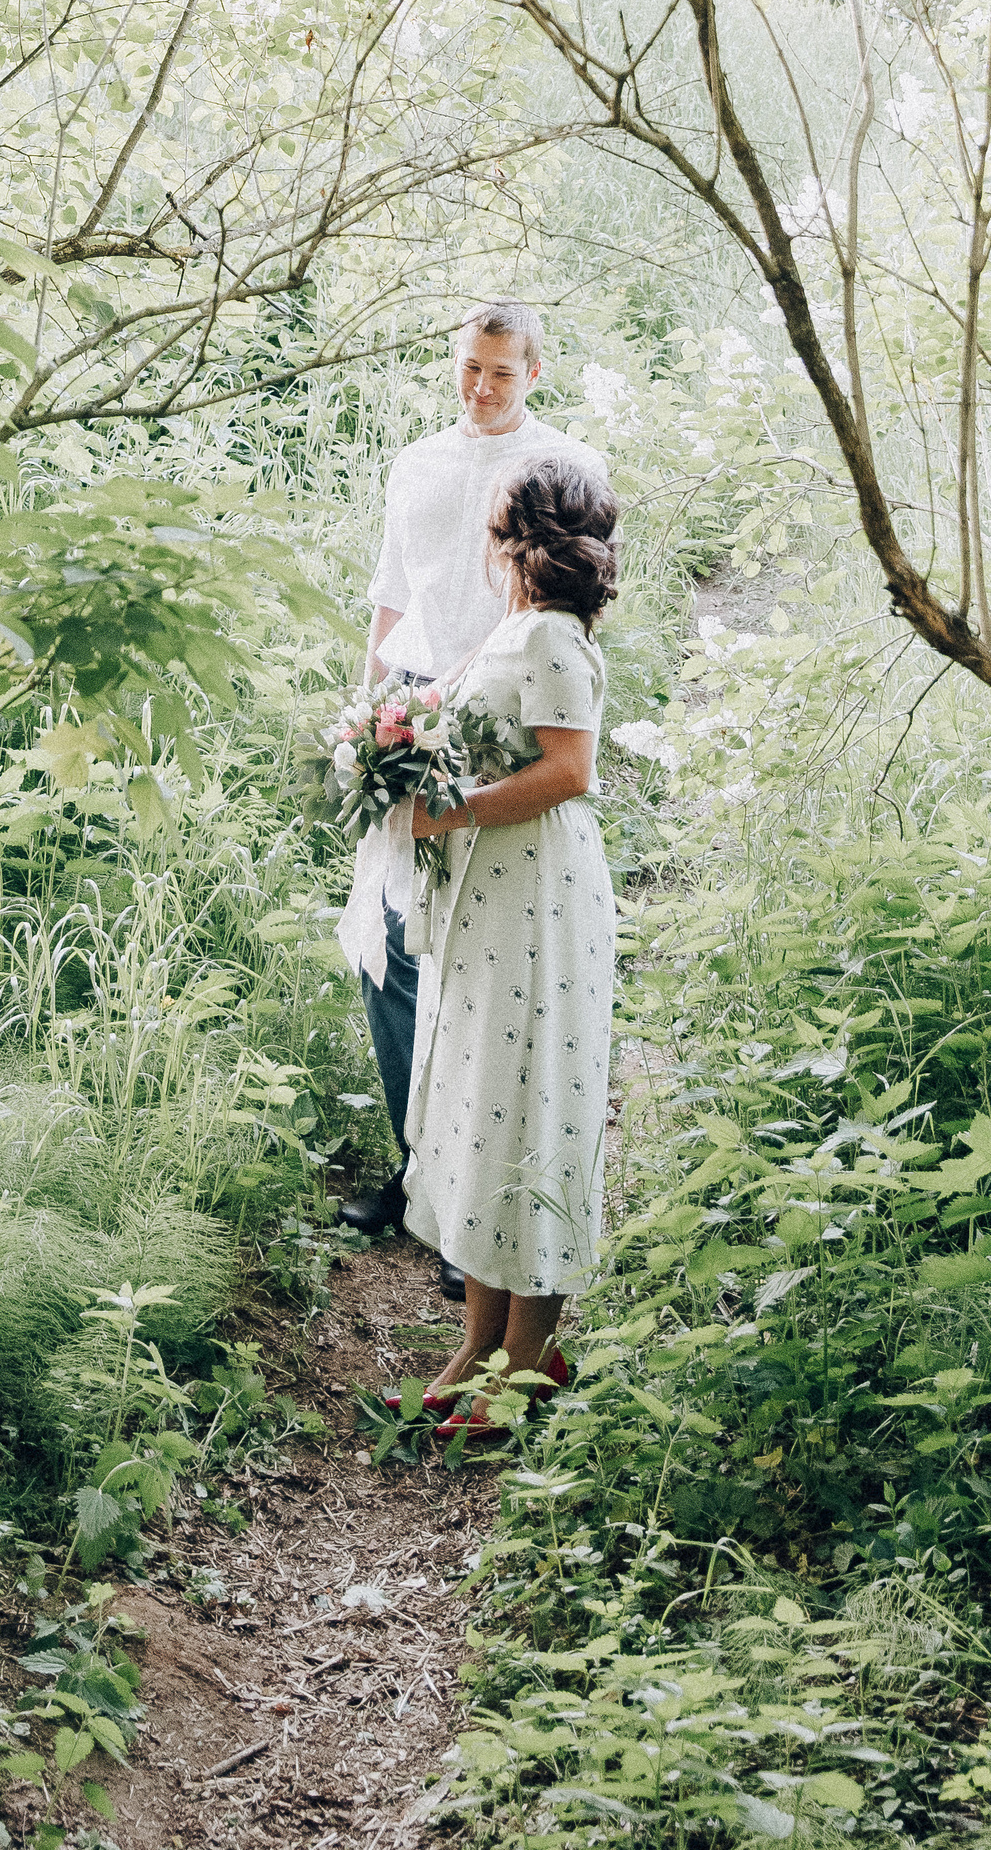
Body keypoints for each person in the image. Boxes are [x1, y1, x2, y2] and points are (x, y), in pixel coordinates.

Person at [335, 302, 593, 1275]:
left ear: (535, 370)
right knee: (391, 944)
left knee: (474, 966)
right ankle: (416, 1172)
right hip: (410, 708)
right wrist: (366, 727)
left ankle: (474, 1206)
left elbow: (570, 615)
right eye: (468, 369)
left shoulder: (564, 466)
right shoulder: (417, 462)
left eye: (500, 371)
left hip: (496, 717)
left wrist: (500, 731)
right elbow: (390, 597)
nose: (481, 388)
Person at [401, 451, 619, 1437]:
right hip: (492, 899)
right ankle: (479, 1344)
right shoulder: (520, 629)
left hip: (537, 900)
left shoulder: (557, 642)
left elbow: (568, 770)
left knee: (531, 1105)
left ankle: (526, 1360)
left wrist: (452, 809)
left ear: (515, 536)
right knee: (487, 1106)